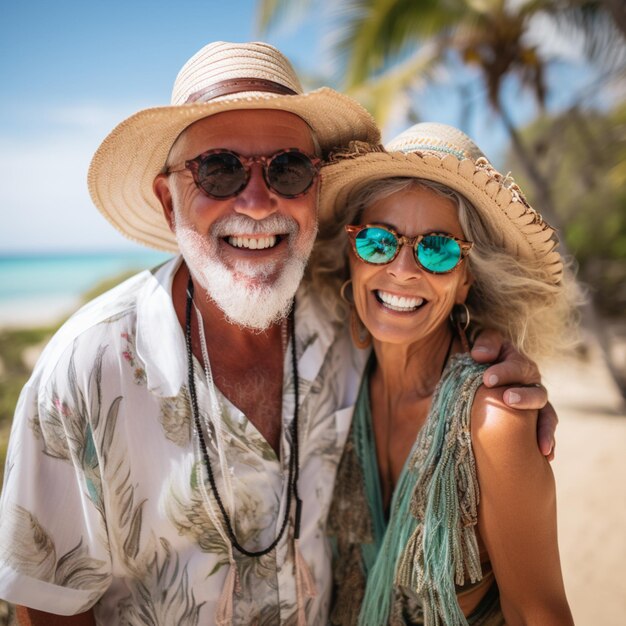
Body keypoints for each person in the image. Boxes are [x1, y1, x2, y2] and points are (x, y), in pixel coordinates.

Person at [0, 42, 555, 626]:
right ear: (169, 201)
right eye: (219, 170)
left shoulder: (350, 320)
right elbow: (49, 606)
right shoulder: (83, 371)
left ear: (313, 188)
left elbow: (426, 318)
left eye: (287, 169)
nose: (259, 203)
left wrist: (505, 380)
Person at [313, 123, 579, 625]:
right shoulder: (335, 377)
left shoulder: (495, 422)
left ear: (465, 280)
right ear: (351, 253)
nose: (403, 269)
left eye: (437, 249)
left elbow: (538, 614)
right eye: (377, 241)